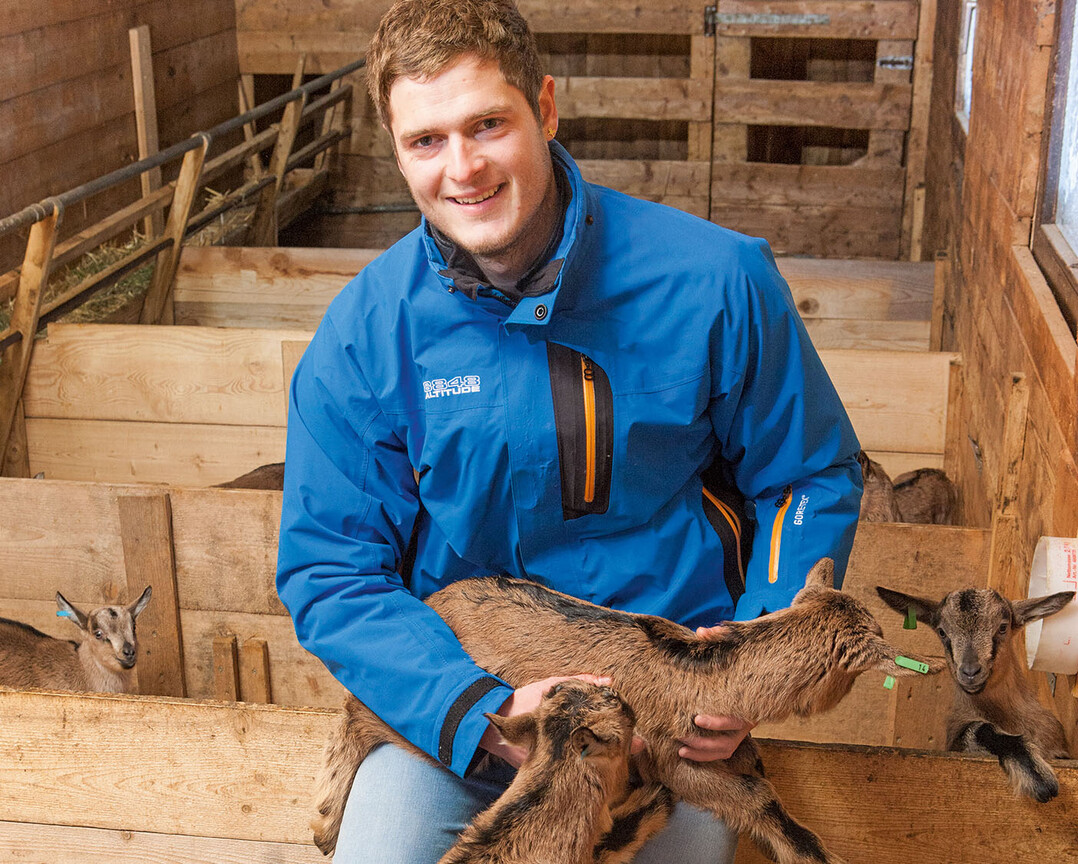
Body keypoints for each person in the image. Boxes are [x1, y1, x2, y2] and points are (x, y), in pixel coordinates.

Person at [276, 1, 863, 861]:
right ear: (396, 150)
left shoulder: (717, 281)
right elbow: (330, 569)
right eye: (425, 141)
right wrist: (476, 708)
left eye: (488, 124)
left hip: (667, 724)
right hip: (465, 721)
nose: (463, 168)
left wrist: (748, 664)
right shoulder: (367, 334)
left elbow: (808, 475)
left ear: (545, 110)